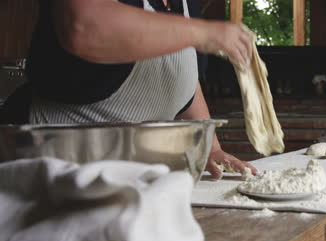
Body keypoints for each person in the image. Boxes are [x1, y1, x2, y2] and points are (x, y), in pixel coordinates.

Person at [2, 0, 257, 179]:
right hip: (52, 166)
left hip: (136, 175)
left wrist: (210, 146)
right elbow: (84, 25)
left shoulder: (185, 3)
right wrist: (204, 32)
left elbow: (178, 71)